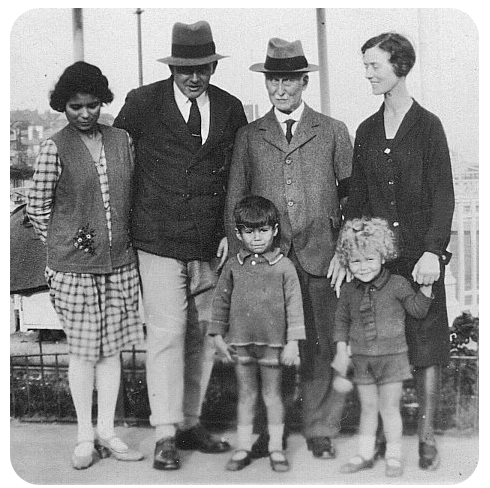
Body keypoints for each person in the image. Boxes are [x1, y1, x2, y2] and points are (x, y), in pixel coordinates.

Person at [113, 21, 248, 470]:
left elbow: (236, 175)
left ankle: (190, 422)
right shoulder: (142, 103)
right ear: (172, 67)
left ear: (213, 67)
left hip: (210, 244)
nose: (194, 77)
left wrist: (229, 231)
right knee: (167, 334)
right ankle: (165, 433)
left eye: (202, 68)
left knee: (202, 336)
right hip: (157, 239)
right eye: (185, 69)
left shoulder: (229, 108)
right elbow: (120, 159)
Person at [330, 32, 454, 470]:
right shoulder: (366, 130)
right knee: (379, 346)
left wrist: (433, 253)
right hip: (379, 263)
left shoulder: (429, 126)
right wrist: (346, 252)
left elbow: (443, 195)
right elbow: (359, 200)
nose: (367, 73)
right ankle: (383, 436)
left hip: (420, 260)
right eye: (365, 65)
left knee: (425, 347)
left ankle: (426, 438)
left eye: (374, 65)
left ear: (400, 67)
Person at [226, 38, 353, 459]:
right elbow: (235, 199)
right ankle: (269, 431)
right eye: (273, 81)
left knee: (319, 344)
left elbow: (352, 197)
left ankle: (320, 428)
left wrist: (344, 250)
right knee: (270, 347)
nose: (280, 89)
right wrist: (244, 258)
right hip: (268, 260)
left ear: (304, 82)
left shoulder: (332, 130)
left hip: (321, 255)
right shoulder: (250, 136)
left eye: (289, 81)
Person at [26, 61, 145, 469]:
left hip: (119, 264)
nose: (85, 113)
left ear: (102, 102)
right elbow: (37, 208)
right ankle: (83, 436)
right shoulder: (53, 147)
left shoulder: (122, 140)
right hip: (72, 271)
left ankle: (107, 432)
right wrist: (64, 246)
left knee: (110, 351)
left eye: (92, 105)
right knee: (82, 351)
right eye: (75, 106)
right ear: (63, 105)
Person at [209, 195, 305, 472]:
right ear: (238, 234)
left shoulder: (284, 266)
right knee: (246, 395)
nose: (257, 238)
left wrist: (293, 343)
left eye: (263, 230)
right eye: (249, 232)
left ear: (274, 230)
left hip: (273, 344)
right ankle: (242, 447)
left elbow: (294, 305)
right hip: (240, 342)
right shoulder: (232, 266)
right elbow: (220, 301)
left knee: (273, 396)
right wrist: (217, 335)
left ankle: (275, 448)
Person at [332, 217, 433, 477]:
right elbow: (341, 322)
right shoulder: (348, 290)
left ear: (383, 255)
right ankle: (365, 454)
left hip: (393, 359)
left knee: (389, 409)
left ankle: (394, 456)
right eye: (356, 261)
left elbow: (417, 310)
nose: (363, 266)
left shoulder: (397, 284)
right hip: (362, 360)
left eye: (370, 259)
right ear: (346, 260)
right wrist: (341, 350)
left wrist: (426, 289)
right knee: (367, 409)